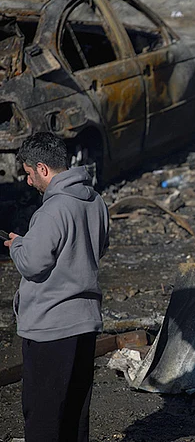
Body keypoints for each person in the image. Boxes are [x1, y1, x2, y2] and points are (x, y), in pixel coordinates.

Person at [3, 132, 110, 442]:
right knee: (75, 413)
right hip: (85, 323)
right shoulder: (96, 201)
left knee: (44, 416)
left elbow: (33, 264)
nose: (28, 181)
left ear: (43, 169)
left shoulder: (52, 210)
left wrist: (18, 245)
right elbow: (97, 247)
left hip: (51, 328)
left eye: (28, 173)